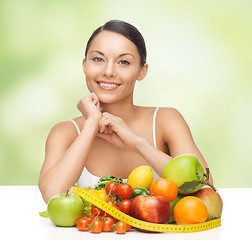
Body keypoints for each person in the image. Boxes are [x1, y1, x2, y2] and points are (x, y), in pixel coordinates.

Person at [38, 20, 213, 203]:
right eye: (98, 59)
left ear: (141, 71)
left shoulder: (166, 121)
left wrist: (137, 143)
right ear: (84, 65)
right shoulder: (65, 132)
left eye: (123, 62)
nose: (108, 71)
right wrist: (90, 124)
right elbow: (52, 195)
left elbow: (205, 190)